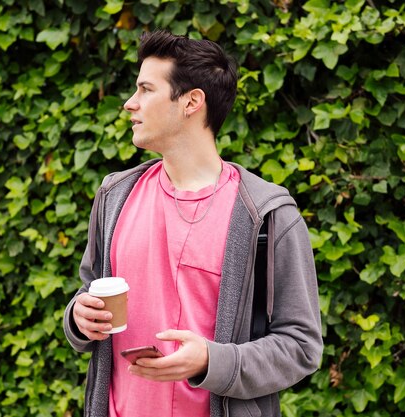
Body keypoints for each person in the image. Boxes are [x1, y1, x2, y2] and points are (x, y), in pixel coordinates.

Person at [63, 30, 323, 417]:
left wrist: (210, 361)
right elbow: (89, 294)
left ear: (191, 102)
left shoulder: (267, 214)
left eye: (146, 89)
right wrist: (79, 317)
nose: (130, 103)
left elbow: (301, 347)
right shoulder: (114, 196)